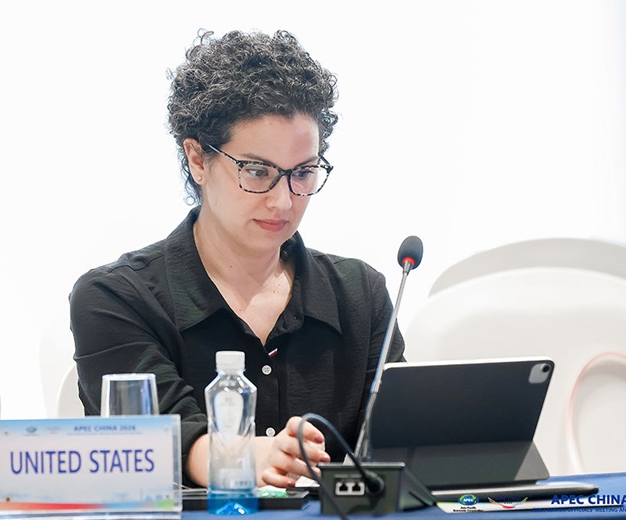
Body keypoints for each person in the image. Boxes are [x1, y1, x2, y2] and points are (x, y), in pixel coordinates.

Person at [69, 29, 405, 489]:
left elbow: (402, 449)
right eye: (257, 171)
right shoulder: (115, 298)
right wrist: (252, 457)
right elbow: (155, 442)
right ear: (198, 160)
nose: (283, 201)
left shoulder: (360, 294)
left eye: (303, 173)